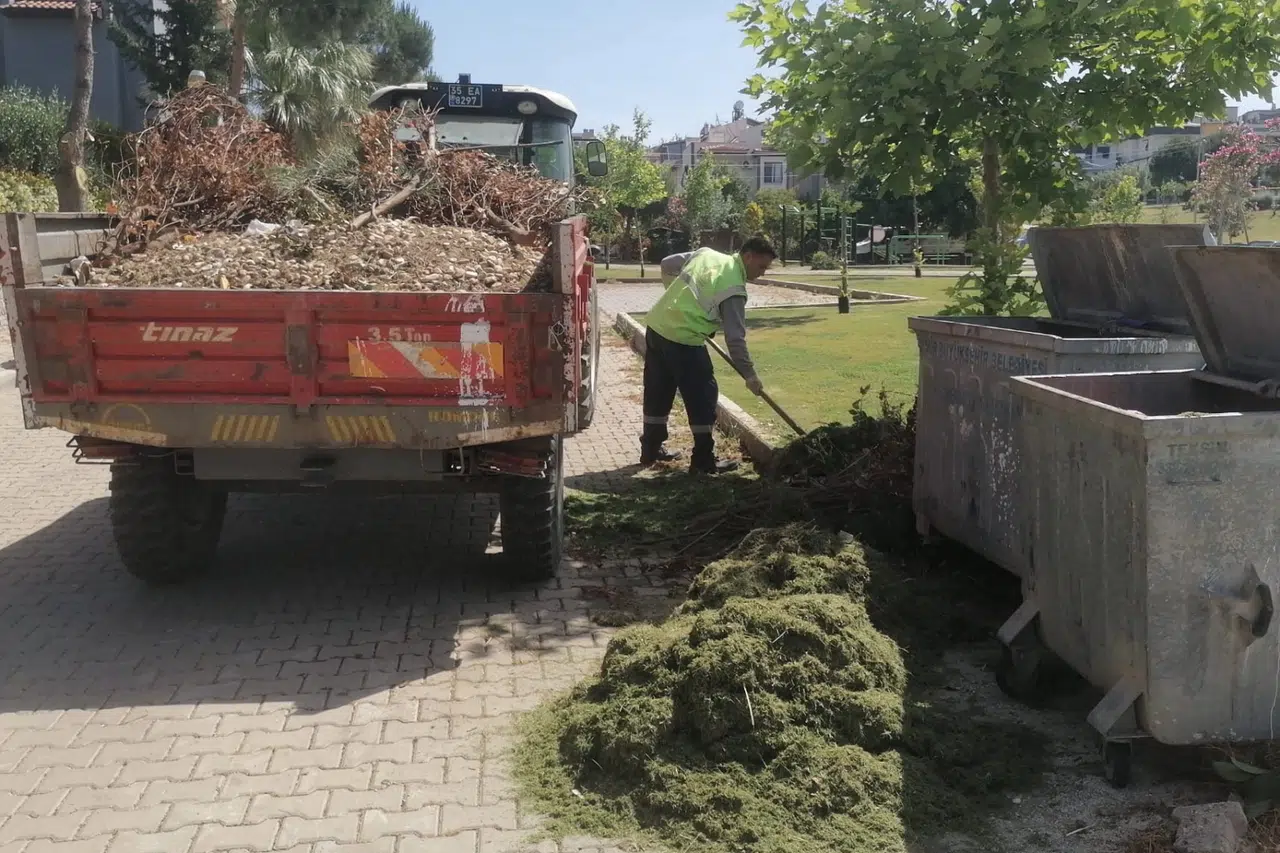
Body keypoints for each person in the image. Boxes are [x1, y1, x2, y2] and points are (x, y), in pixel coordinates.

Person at [641, 236, 777, 474]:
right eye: (761, 266)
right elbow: (735, 339)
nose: (762, 273)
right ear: (748, 256)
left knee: (658, 390)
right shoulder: (734, 287)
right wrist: (749, 374)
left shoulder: (706, 254)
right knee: (703, 397)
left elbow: (667, 264)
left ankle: (650, 449)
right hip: (684, 340)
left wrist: (680, 301)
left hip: (657, 328)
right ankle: (703, 460)